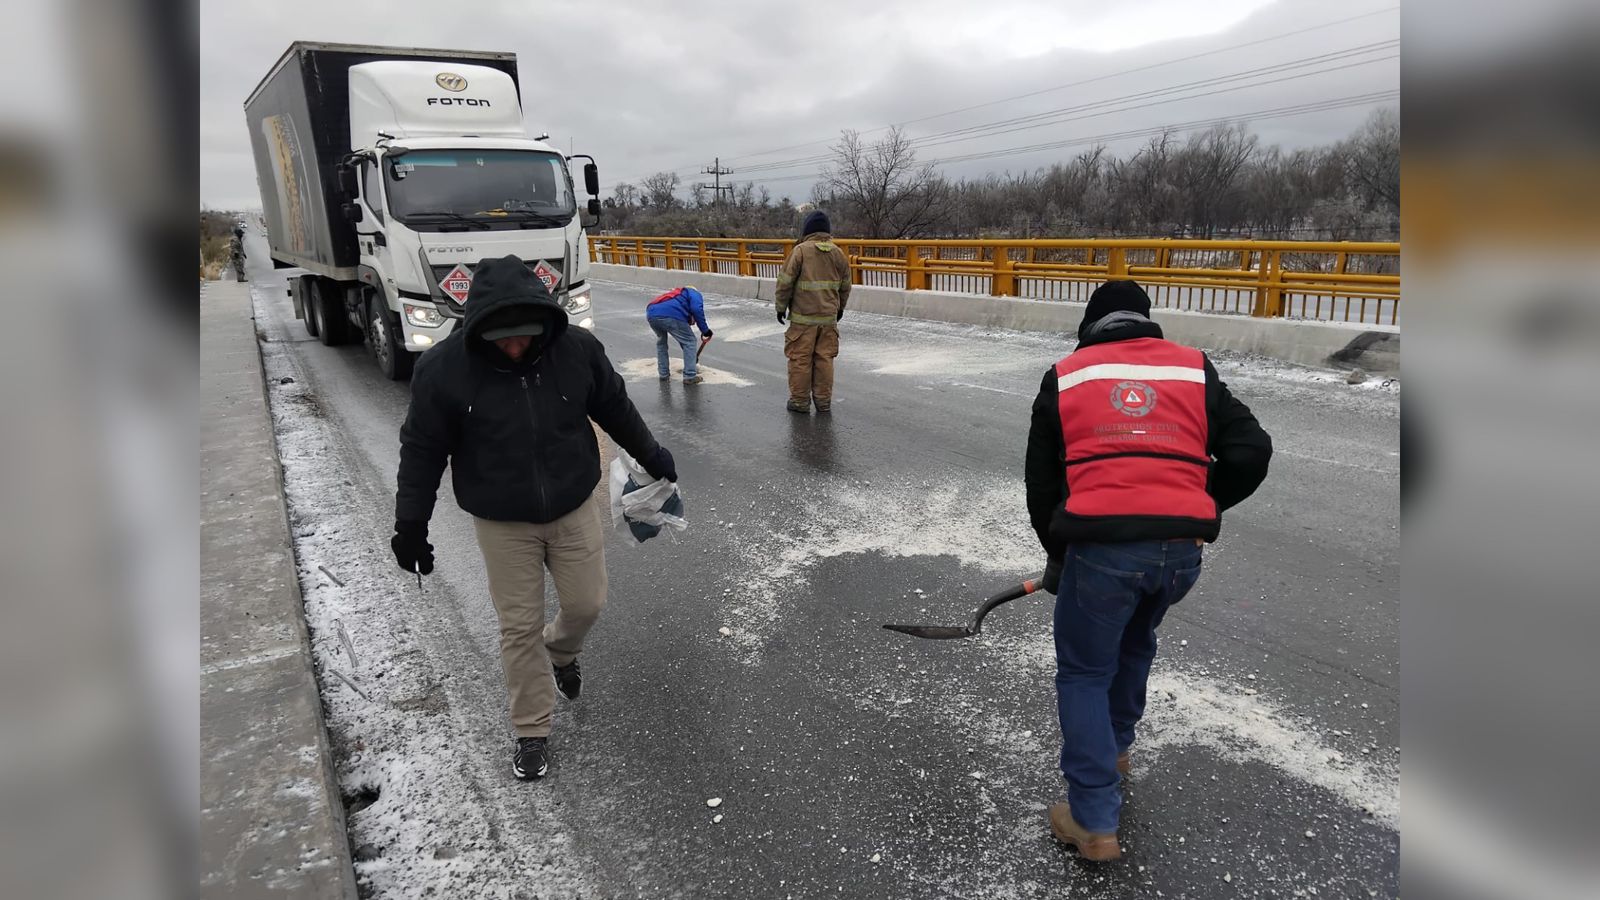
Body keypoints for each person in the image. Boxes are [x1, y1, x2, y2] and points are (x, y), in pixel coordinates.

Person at [391, 255, 678, 781]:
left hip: (571, 506)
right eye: (503, 340)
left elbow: (614, 406)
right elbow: (422, 451)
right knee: (517, 627)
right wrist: (411, 523)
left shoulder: (576, 351)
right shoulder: (443, 370)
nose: (516, 347)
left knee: (587, 603)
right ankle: (531, 730)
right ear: (479, 331)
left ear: (544, 322)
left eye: (525, 336)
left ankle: (562, 650)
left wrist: (653, 454)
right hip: (503, 522)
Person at [1024, 280, 1272, 861]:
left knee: (1084, 672)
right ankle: (1115, 750)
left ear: (1090, 325)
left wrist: (1058, 551)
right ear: (1145, 321)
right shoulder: (1193, 369)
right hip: (1179, 551)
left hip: (1104, 552)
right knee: (1135, 643)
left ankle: (1091, 821)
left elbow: (1042, 485)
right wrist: (1195, 499)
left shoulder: (1067, 374)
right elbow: (1251, 450)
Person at [775, 210, 850, 413]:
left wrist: (780, 307)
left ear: (807, 230)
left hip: (803, 320)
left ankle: (800, 402)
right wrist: (840, 308)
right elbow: (845, 286)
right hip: (828, 320)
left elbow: (785, 282)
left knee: (800, 359)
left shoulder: (800, 251)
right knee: (824, 360)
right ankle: (823, 401)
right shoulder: (839, 253)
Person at [645, 285, 713, 384]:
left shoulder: (676, 295)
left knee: (661, 344)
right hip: (671, 314)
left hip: (651, 314)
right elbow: (697, 309)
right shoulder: (694, 293)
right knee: (690, 342)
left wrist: (691, 355)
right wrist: (705, 330)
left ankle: (663, 374)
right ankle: (690, 376)